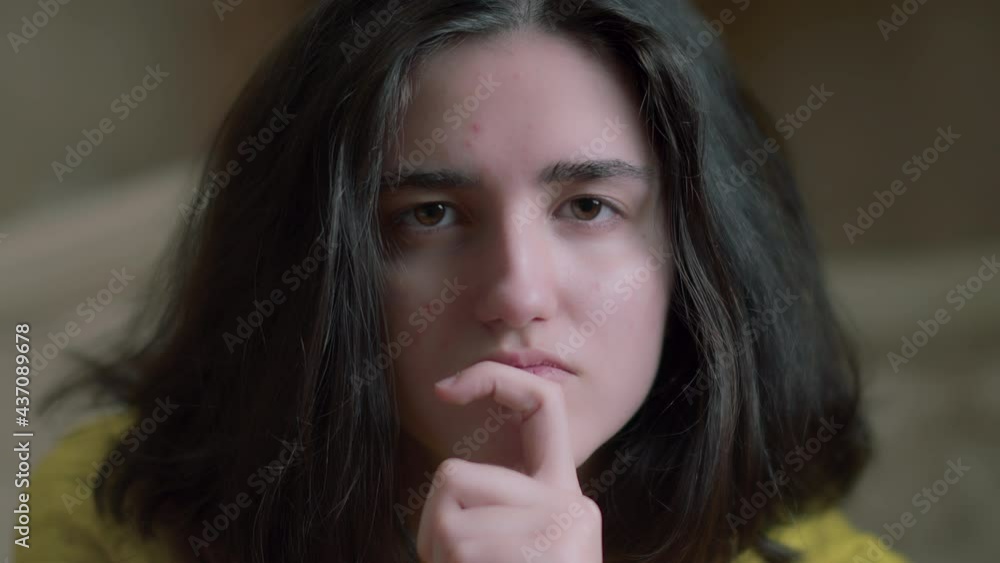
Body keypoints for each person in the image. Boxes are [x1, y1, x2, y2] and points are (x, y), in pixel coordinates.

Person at [21, 0, 909, 562]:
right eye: (432, 214)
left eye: (589, 206)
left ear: (702, 255)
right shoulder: (107, 518)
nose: (519, 293)